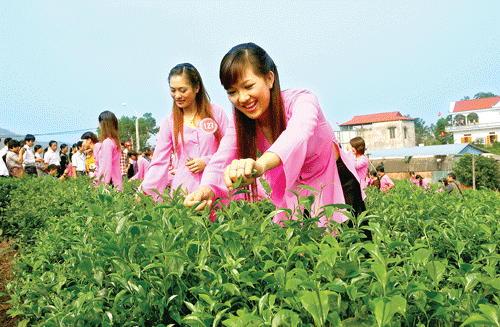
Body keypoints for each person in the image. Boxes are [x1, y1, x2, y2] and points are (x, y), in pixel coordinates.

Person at [184, 43, 366, 228]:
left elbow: (298, 133)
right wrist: (206, 189)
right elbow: (221, 157)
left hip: (337, 183)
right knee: (306, 253)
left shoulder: (302, 99)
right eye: (232, 92)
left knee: (355, 249)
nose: (242, 98)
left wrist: (260, 165)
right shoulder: (242, 122)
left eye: (248, 86)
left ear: (270, 79)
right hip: (297, 191)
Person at [139, 63, 230, 198]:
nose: (177, 95)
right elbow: (159, 161)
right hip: (184, 191)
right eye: (173, 90)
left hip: (216, 188)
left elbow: (230, 148)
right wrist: (145, 190)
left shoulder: (216, 113)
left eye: (183, 90)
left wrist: (207, 161)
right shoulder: (169, 123)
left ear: (196, 87)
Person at [94, 111, 123, 190]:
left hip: (110, 183)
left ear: (103, 124)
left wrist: (97, 184)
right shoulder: (115, 141)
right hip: (116, 181)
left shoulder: (107, 142)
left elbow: (106, 167)